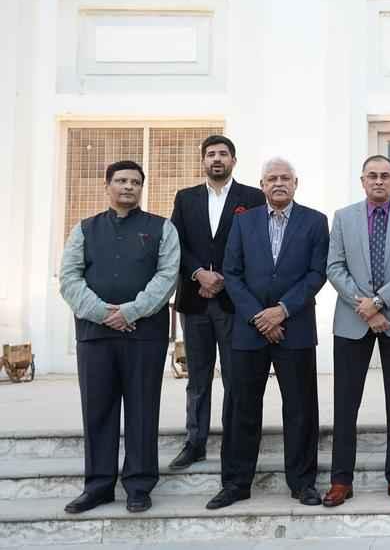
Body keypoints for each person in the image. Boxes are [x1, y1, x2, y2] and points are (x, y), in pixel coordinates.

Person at [205, 158, 329, 509]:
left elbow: (317, 273)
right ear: (261, 185)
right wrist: (259, 317)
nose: (278, 183)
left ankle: (302, 483)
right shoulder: (243, 222)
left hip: (295, 327)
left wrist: (282, 310)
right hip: (250, 329)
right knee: (241, 408)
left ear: (296, 183)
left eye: (285, 178)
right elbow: (232, 272)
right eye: (271, 178)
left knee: (301, 409)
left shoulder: (315, 221)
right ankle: (236, 483)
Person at [59, 160, 179, 514]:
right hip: (95, 335)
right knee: (97, 410)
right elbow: (69, 278)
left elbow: (167, 277)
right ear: (107, 185)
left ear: (142, 188)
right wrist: (102, 313)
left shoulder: (162, 228)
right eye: (121, 180)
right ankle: (98, 487)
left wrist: (130, 312)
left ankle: (139, 486)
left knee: (143, 410)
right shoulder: (84, 229)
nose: (128, 187)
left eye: (135, 182)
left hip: (145, 336)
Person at [323, 154, 390, 507]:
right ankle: (341, 480)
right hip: (352, 320)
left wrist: (379, 303)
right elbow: (334, 267)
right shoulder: (343, 217)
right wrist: (365, 307)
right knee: (345, 403)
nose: (378, 181)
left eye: (385, 175)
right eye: (372, 176)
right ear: (362, 181)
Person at [168, 134, 265, 471]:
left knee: (236, 377)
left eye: (223, 153)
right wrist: (199, 273)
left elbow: (257, 245)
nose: (217, 159)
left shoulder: (252, 198)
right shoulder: (186, 198)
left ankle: (233, 442)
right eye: (211, 154)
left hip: (234, 302)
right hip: (194, 300)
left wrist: (223, 277)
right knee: (198, 377)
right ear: (203, 161)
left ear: (233, 160)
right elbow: (175, 243)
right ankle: (195, 442)